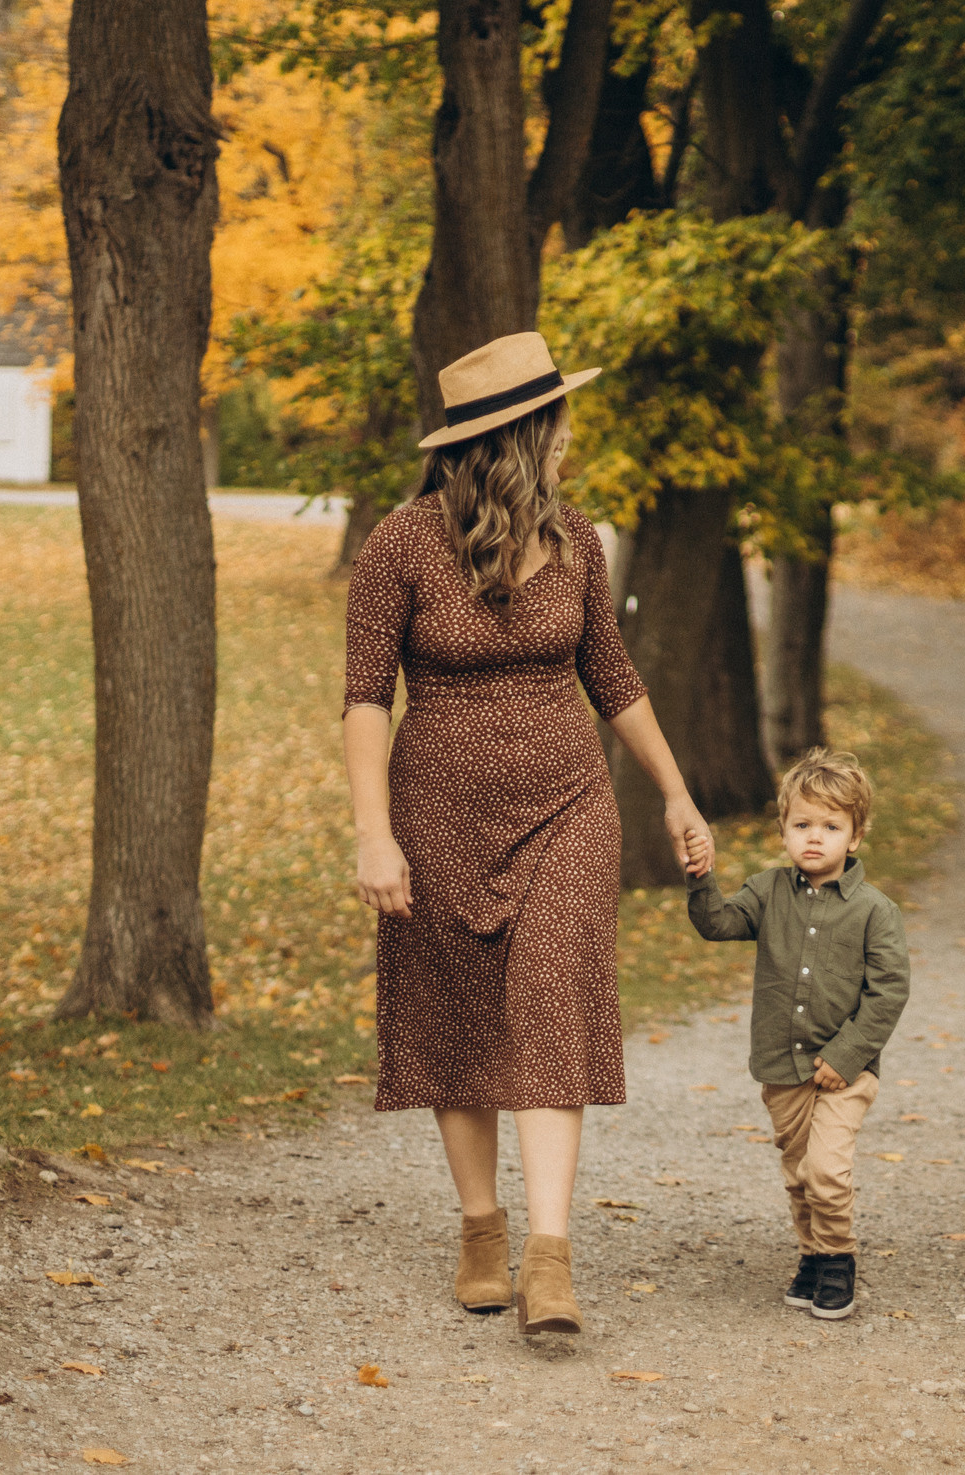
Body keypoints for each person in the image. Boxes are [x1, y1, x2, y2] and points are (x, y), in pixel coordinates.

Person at [341, 330, 715, 1338]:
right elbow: (365, 701)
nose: (569, 439)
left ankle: (548, 1256)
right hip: (435, 813)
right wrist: (375, 834)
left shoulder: (580, 540)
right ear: (516, 435)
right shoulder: (401, 545)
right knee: (455, 1011)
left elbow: (615, 679)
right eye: (558, 423)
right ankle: (479, 1226)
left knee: (554, 1000)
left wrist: (676, 795)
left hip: (569, 806)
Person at [686, 749, 910, 1321]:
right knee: (798, 1173)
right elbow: (718, 924)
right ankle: (812, 1256)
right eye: (802, 825)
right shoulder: (766, 892)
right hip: (783, 1067)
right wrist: (700, 876)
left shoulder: (874, 911)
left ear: (855, 836)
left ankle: (838, 1261)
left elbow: (888, 992)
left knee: (826, 1171)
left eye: (831, 827)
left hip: (843, 1073)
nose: (815, 838)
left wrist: (848, 1055)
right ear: (784, 829)